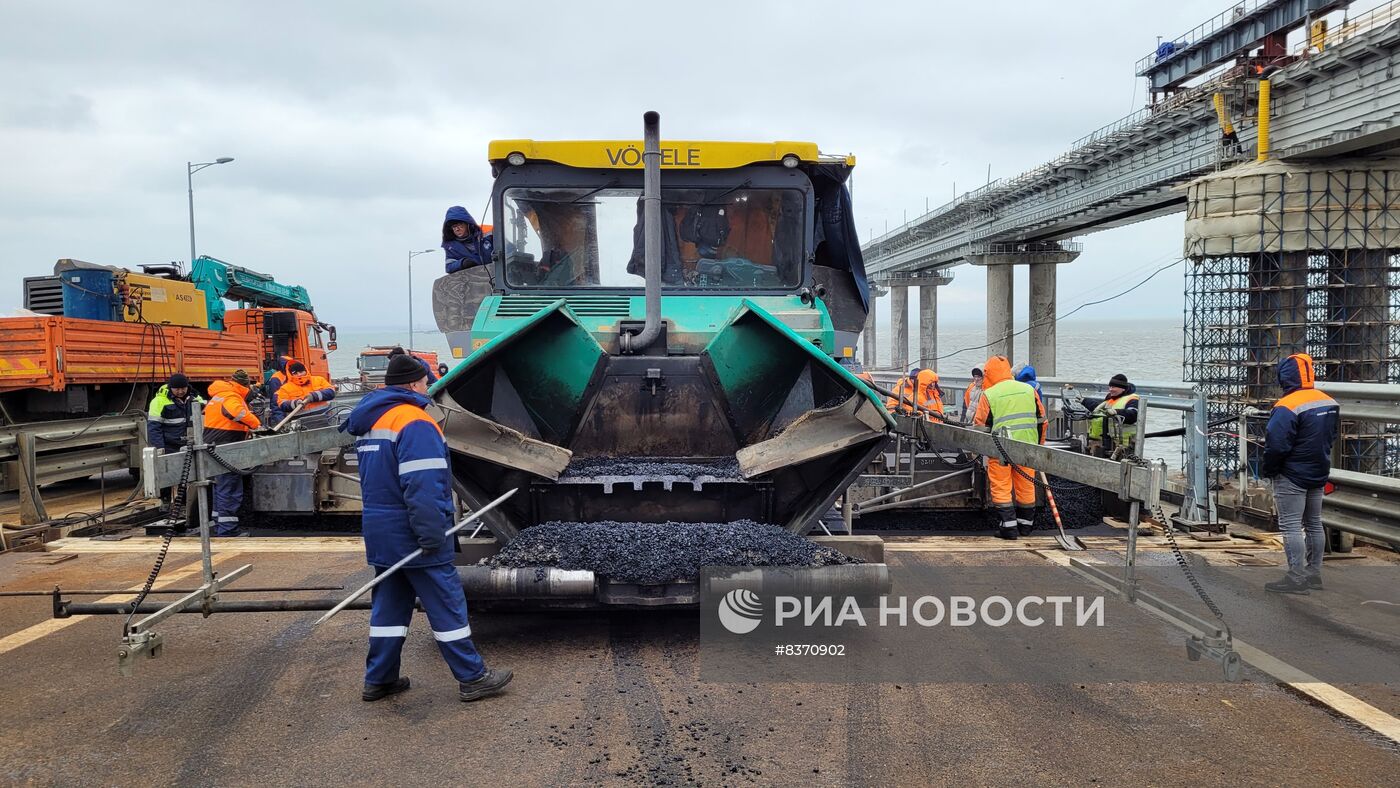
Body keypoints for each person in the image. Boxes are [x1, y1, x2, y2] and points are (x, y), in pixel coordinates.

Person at [342, 353, 512, 703]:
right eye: (426, 381)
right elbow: (423, 486)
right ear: (415, 384)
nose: (428, 386)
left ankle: (380, 678)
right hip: (413, 531)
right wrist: (433, 534)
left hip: (381, 529)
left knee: (389, 607)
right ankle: (472, 677)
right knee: (447, 605)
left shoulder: (372, 419)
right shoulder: (414, 422)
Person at [1261, 353, 1339, 595]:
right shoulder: (1328, 401)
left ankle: (1295, 577)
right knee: (1314, 523)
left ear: (1284, 376)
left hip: (1292, 474)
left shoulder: (1286, 406)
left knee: (1291, 525)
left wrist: (1269, 470)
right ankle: (1313, 575)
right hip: (1318, 471)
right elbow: (1332, 436)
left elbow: (1276, 444)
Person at [973, 356, 1046, 539]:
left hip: (1000, 450)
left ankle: (1008, 528)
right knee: (1026, 485)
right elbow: (1041, 421)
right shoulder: (1029, 390)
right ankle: (1026, 527)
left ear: (988, 373)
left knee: (1001, 486)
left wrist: (978, 451)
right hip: (1027, 448)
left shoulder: (989, 394)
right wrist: (1040, 446)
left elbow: (981, 427)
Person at [203, 370, 261, 537]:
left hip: (214, 446)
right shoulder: (232, 397)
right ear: (245, 385)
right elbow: (237, 413)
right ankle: (228, 531)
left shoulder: (218, 395)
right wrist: (256, 424)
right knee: (229, 488)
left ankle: (218, 526)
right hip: (227, 447)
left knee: (218, 487)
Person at [1085, 374, 1140, 456]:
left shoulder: (1132, 399)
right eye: (1110, 387)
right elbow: (1099, 410)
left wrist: (1116, 412)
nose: (1110, 389)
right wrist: (1084, 401)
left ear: (1122, 388)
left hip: (1124, 446)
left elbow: (1133, 415)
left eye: (1113, 387)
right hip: (1106, 442)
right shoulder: (1111, 398)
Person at [147, 373, 201, 454]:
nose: (180, 392)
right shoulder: (158, 402)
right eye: (177, 389)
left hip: (190, 445)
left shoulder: (194, 398)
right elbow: (154, 428)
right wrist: (159, 448)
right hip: (169, 447)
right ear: (170, 388)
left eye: (183, 388)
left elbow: (206, 408)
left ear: (187, 387)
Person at [442, 206, 495, 273]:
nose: (457, 229)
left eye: (459, 225)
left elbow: (508, 248)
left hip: (499, 274)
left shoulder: (489, 233)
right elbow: (449, 267)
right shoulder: (451, 246)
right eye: (454, 227)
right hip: (476, 279)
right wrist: (462, 263)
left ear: (468, 224)